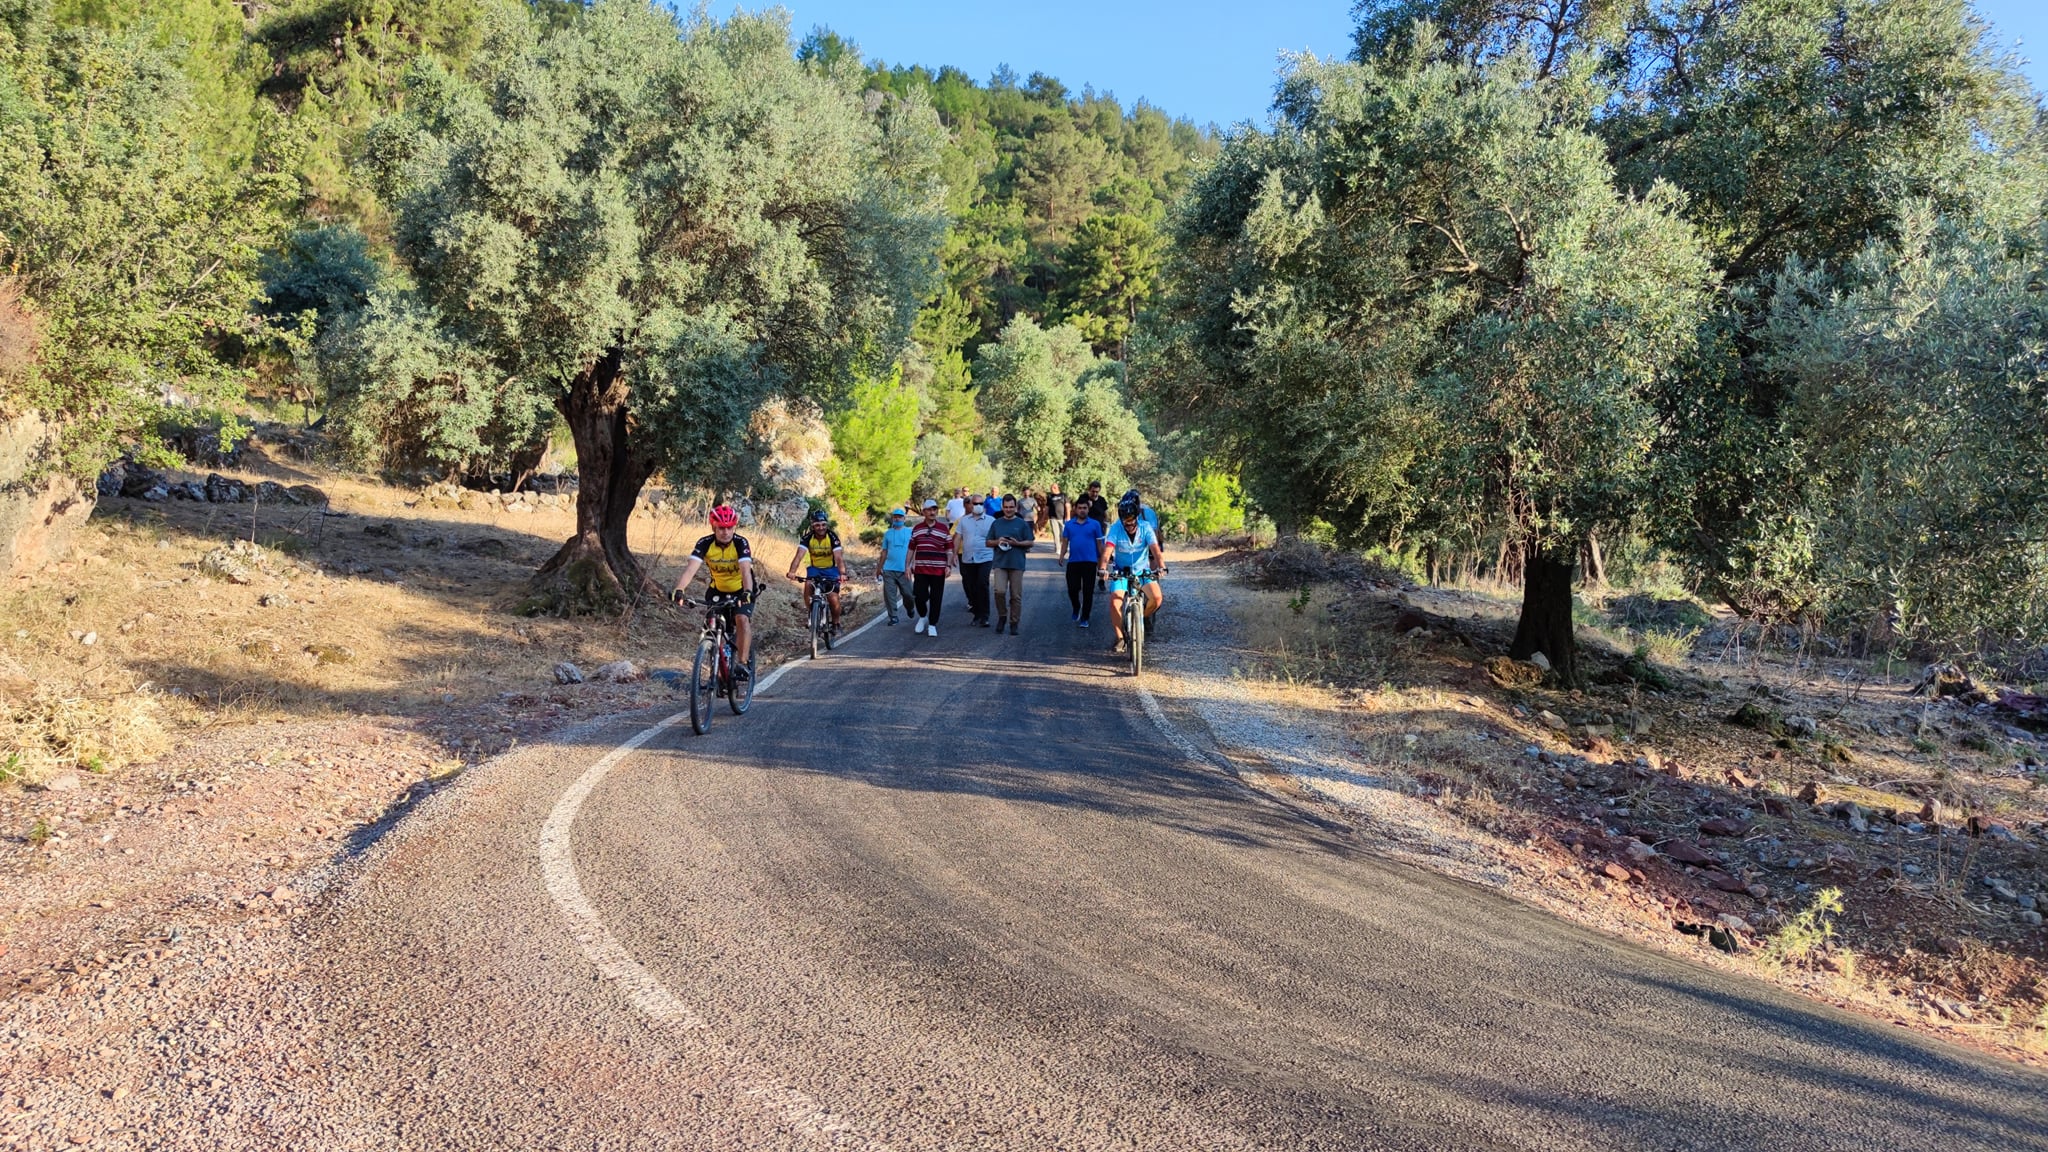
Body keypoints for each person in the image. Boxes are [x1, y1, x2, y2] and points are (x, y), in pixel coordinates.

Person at [672, 504, 756, 678]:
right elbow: (690, 569)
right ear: (713, 527)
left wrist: (747, 592)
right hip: (717, 590)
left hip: (741, 589)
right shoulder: (705, 543)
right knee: (713, 625)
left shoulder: (741, 543)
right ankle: (717, 663)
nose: (725, 532)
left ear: (734, 527)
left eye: (729, 528)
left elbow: (746, 571)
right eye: (721, 528)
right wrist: (679, 589)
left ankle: (742, 663)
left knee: (741, 618)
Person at [1097, 489, 1165, 655]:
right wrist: (1103, 568)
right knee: (1115, 602)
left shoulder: (1145, 527)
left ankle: (1139, 619)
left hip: (1142, 570)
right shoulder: (1115, 528)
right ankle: (1120, 637)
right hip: (1122, 571)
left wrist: (1161, 566)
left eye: (1132, 520)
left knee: (1157, 599)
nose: (1129, 524)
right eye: (1125, 521)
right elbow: (1107, 550)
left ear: (1137, 517)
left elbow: (1155, 549)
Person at [786, 508, 844, 633]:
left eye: (823, 525)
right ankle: (812, 612)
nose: (821, 528)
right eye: (817, 525)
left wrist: (842, 573)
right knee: (808, 585)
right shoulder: (807, 538)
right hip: (815, 569)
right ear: (812, 526)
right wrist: (792, 571)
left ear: (826, 524)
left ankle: (836, 622)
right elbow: (799, 556)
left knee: (833, 598)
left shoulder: (832, 537)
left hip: (831, 570)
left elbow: (838, 558)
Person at [986, 494, 1035, 635]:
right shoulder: (996, 523)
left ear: (1016, 507)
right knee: (999, 591)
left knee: (1016, 595)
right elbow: (988, 542)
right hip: (1000, 563)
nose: (1008, 510)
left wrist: (1017, 543)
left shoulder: (1022, 523)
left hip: (1017, 563)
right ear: (1002, 507)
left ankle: (1014, 622)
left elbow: (1030, 542)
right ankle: (1002, 616)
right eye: (1006, 507)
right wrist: (998, 541)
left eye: (1011, 507)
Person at [909, 500, 955, 636]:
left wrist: (948, 565)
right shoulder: (917, 529)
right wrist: (907, 565)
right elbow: (911, 548)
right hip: (921, 569)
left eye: (934, 509)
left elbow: (950, 549)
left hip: (938, 569)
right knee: (919, 596)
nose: (932, 512)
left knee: (936, 597)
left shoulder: (943, 528)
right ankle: (923, 617)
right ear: (923, 512)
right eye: (929, 510)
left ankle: (933, 624)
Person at [1056, 495, 1104, 627]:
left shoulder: (1095, 524)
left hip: (1090, 562)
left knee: (1088, 591)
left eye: (1085, 508)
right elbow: (1065, 542)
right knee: (1072, 589)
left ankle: (1085, 617)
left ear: (1088, 509)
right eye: (1080, 508)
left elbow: (1100, 544)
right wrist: (1061, 555)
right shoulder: (1069, 525)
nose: (1082, 510)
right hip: (1074, 562)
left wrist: (1103, 561)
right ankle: (1076, 606)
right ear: (1076, 509)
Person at [955, 494, 996, 626]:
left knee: (982, 583)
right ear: (970, 505)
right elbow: (957, 537)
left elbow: (997, 538)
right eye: (975, 503)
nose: (977, 506)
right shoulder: (964, 521)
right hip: (968, 558)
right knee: (971, 586)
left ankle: (985, 616)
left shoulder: (991, 520)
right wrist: (953, 554)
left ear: (983, 505)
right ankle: (977, 613)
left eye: (980, 503)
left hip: (986, 557)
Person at [876, 507, 914, 625]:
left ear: (904, 518)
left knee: (909, 594)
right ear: (892, 518)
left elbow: (914, 549)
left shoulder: (909, 532)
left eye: (899, 516)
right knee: (890, 595)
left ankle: (910, 608)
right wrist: (879, 568)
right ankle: (893, 617)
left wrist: (913, 565)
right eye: (895, 516)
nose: (897, 519)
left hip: (904, 570)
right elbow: (884, 552)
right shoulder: (888, 534)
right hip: (889, 569)